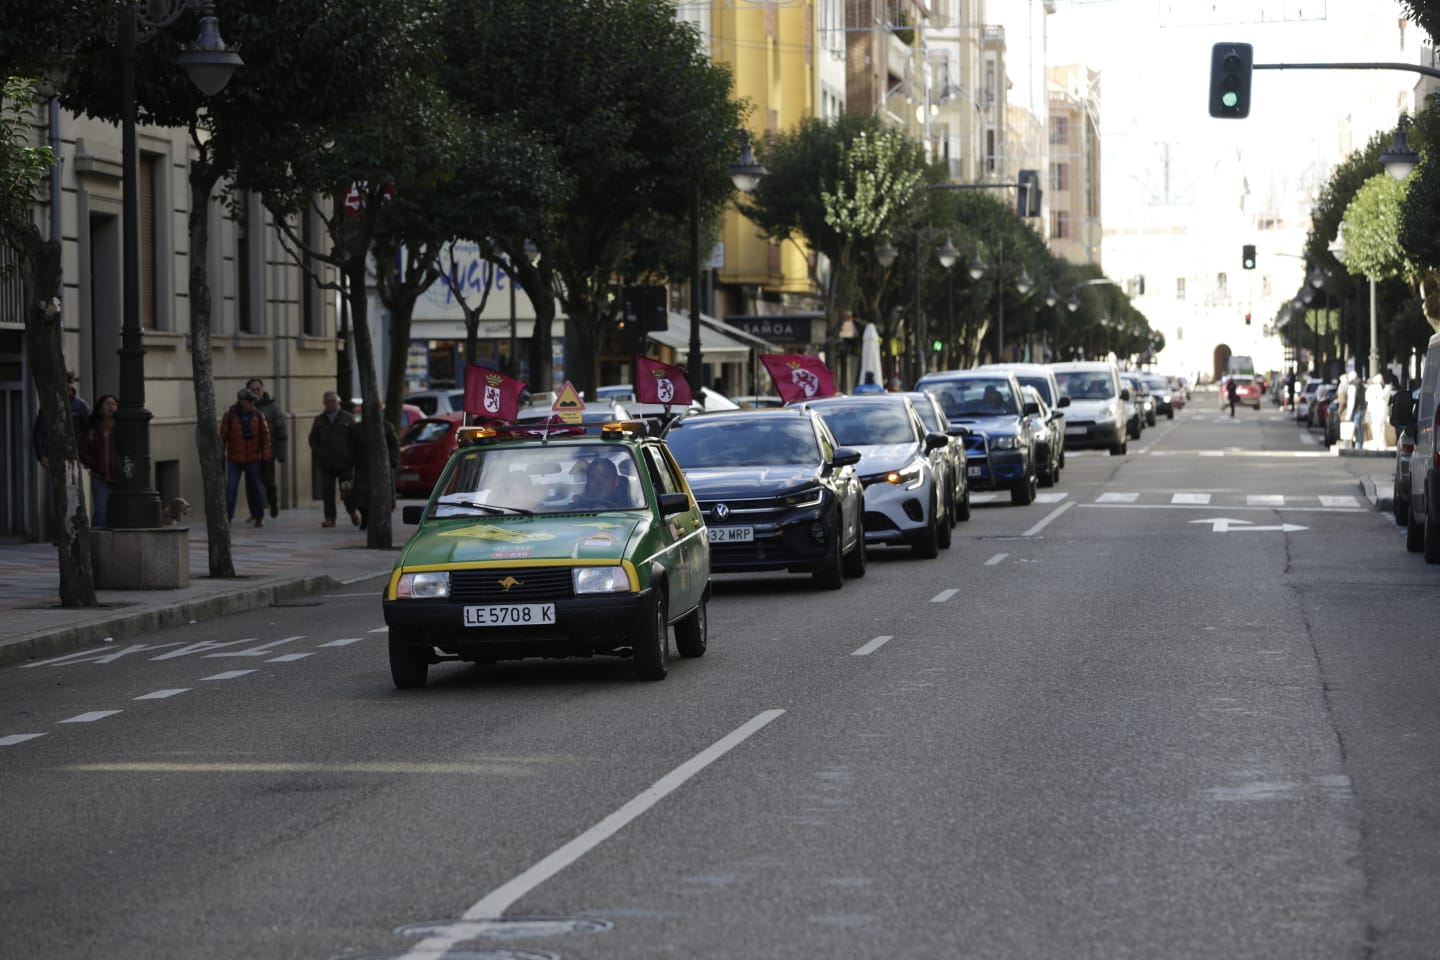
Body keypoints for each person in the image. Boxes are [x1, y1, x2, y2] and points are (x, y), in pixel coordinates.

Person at [221, 388, 272, 527]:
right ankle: (227, 518)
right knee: (231, 489)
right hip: (234, 459)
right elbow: (223, 438)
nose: (252, 403)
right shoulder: (229, 416)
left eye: (253, 401)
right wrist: (221, 456)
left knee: (256, 489)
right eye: (249, 400)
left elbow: (266, 438)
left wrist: (266, 456)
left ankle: (259, 516)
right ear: (242, 402)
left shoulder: (259, 416)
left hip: (253, 459)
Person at [309, 391, 356, 528]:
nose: (330, 404)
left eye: (333, 401)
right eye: (327, 402)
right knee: (327, 492)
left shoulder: (348, 418)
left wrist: (351, 456)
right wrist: (319, 453)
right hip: (326, 463)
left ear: (338, 402)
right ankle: (330, 518)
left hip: (344, 463)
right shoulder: (319, 420)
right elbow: (313, 439)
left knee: (347, 491)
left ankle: (352, 512)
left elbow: (355, 439)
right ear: (324, 404)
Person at [246, 378, 288, 518]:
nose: (256, 392)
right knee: (252, 483)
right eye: (252, 389)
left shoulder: (272, 407)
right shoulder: (244, 407)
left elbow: (281, 431)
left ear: (262, 390)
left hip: (268, 451)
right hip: (250, 453)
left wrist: (281, 453)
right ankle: (255, 512)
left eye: (258, 389)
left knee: (268, 481)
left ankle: (273, 502)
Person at [348, 416, 399, 531]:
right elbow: (351, 447)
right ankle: (365, 517)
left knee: (381, 495)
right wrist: (349, 465)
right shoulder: (358, 429)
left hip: (382, 465)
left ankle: (378, 519)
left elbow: (394, 445)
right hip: (363, 466)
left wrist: (393, 460)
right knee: (362, 496)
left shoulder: (387, 427)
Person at [33, 372, 90, 470]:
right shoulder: (48, 406)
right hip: (54, 455)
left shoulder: (80, 406)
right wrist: (42, 455)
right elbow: (39, 432)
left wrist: (86, 456)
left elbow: (88, 431)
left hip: (76, 456)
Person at [77, 394, 118, 527]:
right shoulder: (92, 430)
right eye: (107, 404)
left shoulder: (122, 429)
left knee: (119, 511)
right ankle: (99, 537)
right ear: (100, 409)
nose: (111, 407)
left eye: (114, 404)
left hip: (119, 477)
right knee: (101, 511)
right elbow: (83, 451)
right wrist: (95, 464)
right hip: (100, 477)